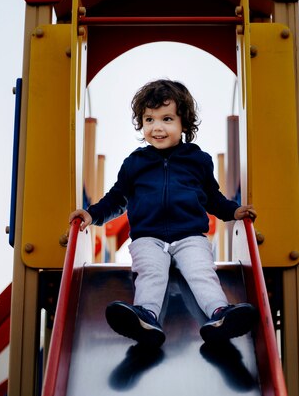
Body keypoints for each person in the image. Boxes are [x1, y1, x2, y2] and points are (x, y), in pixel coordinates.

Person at [69, 79, 258, 348]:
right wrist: (92, 215)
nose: (157, 127)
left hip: (190, 235)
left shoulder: (197, 160)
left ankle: (220, 314)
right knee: (151, 272)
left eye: (166, 119)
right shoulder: (135, 163)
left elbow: (212, 199)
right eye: (149, 119)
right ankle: (146, 317)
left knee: (201, 270)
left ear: (184, 124)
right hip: (148, 237)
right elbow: (116, 198)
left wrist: (234, 211)